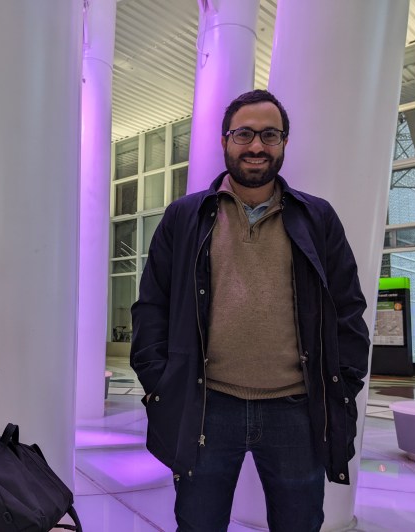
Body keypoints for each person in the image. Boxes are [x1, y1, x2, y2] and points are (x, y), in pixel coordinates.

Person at [130, 89, 370, 532]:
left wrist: (344, 382)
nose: (256, 145)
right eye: (244, 134)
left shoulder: (317, 218)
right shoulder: (185, 217)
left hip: (296, 411)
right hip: (207, 407)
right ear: (225, 141)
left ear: (283, 144)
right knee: (198, 524)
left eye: (269, 135)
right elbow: (152, 307)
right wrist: (160, 382)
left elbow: (348, 309)